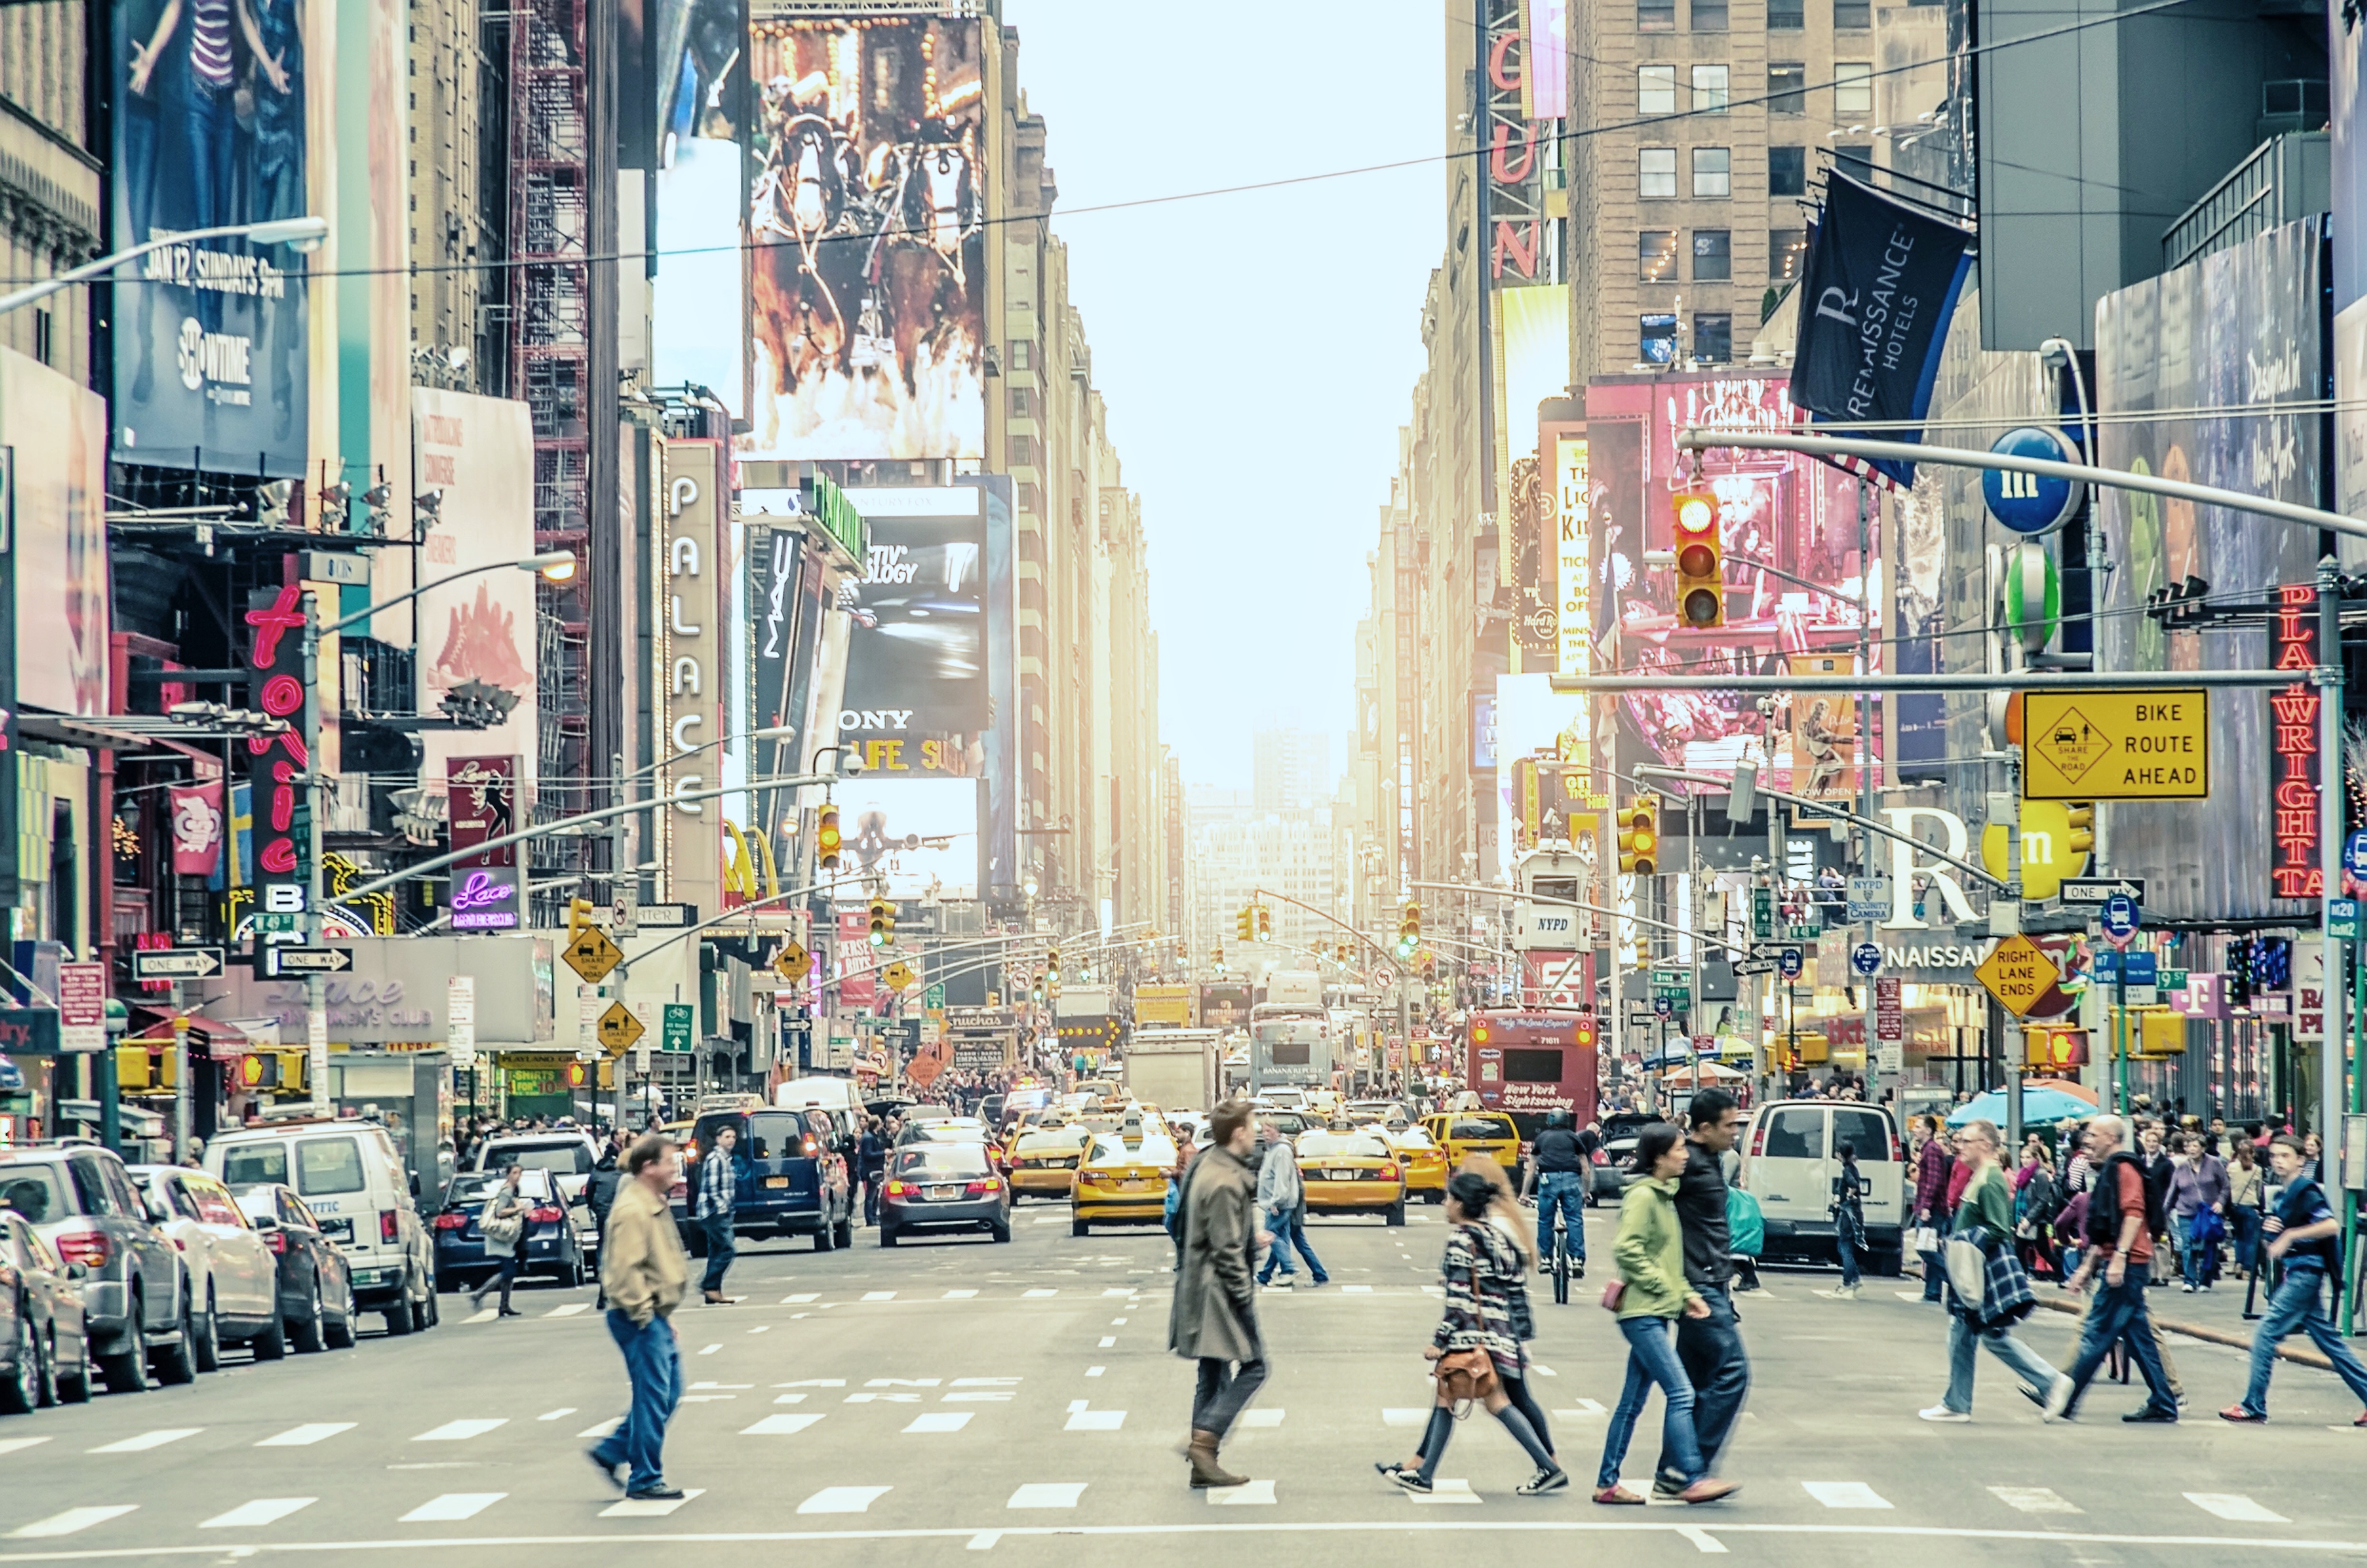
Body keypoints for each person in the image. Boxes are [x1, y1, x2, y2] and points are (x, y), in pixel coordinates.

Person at [1378, 1170, 1566, 1497]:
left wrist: (1439, 1341)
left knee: (1465, 1398)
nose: (1445, 1205)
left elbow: (1460, 1300)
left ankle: (1426, 1475)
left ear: (1462, 1204)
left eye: (1450, 1199)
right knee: (1481, 1400)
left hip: (1473, 1336)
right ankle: (1425, 1473)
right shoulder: (1500, 1237)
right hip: (1502, 1333)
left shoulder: (1461, 1240)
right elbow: (1515, 1287)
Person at [1593, 1124, 1738, 1506]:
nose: (1686, 1155)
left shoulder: (1664, 1195)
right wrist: (1673, 1291)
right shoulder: (1645, 1197)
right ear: (1659, 1158)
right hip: (1642, 1312)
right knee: (1682, 1392)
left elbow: (1667, 1262)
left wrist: (1686, 1295)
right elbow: (1628, 1250)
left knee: (1632, 1403)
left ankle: (1607, 1482)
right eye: (1677, 1149)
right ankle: (1691, 1476)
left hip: (1654, 1310)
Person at [1916, 1119, 2067, 1421]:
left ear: (1986, 1145)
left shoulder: (1990, 1179)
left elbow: (1999, 1229)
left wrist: (1963, 1241)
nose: (1960, 1146)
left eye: (1967, 1141)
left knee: (1975, 1336)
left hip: (1979, 1269)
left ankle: (2047, 1382)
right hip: (1973, 1268)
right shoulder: (1982, 1176)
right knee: (1974, 1336)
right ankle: (1958, 1402)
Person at [2220, 1134, 2367, 1425]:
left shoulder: (2305, 1190)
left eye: (2285, 1156)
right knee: (2330, 1343)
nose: (2278, 1161)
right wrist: (2272, 1232)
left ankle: (2253, 1405)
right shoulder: (2283, 1197)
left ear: (2301, 1160)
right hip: (2302, 1274)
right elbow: (2275, 1243)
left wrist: (2289, 1235)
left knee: (2265, 1334)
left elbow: (2329, 1225)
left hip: (2305, 1274)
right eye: (2274, 1156)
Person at [2045, 1115, 2181, 1423]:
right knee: (2138, 1335)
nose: (2087, 1141)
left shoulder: (2124, 1168)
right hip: (2124, 1262)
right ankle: (2164, 1401)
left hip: (2128, 1264)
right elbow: (2107, 1228)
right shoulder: (2112, 1170)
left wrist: (2119, 1258)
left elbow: (2134, 1214)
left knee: (2097, 1331)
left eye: (2093, 1135)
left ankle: (2066, 1399)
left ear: (2112, 1138)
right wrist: (2089, 1266)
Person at [1651, 1088, 1750, 1499]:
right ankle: (1691, 1469)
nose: (1736, 1132)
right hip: (1700, 1286)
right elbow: (1647, 1191)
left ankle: (1673, 1470)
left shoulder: (1710, 1160)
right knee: (1733, 1372)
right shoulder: (1687, 1163)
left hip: (1712, 1283)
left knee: (1695, 1382)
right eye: (1729, 1126)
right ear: (1704, 1127)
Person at [1168, 1099, 1267, 1489]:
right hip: (1219, 1291)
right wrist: (1244, 1296)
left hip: (1196, 1283)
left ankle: (1203, 1466)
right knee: (1256, 1365)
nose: (1256, 1133)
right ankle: (1204, 1442)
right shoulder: (1226, 1181)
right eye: (1252, 1127)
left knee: (1212, 1373)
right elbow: (1226, 1250)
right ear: (1239, 1133)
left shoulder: (1204, 1167)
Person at [589, 1134, 689, 1501]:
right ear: (649, 1167)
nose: (674, 1170)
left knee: (668, 1392)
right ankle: (645, 1476)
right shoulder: (633, 1210)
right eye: (668, 1163)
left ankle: (613, 1450)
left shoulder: (647, 1201)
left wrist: (661, 1313)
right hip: (639, 1317)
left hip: (653, 1315)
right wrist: (645, 1313)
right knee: (654, 1397)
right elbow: (624, 1270)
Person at [1253, 1122, 1328, 1288]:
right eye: (1263, 1131)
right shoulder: (1274, 1150)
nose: (1265, 1134)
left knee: (1270, 1235)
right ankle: (1319, 1274)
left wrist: (1276, 1201)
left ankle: (1289, 1269)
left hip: (1281, 1204)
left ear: (1278, 1132)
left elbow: (1282, 1179)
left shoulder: (1281, 1151)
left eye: (1269, 1130)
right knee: (1291, 1239)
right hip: (1283, 1203)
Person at [1523, 1107, 1590, 1279]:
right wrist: (1586, 1192)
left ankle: (1545, 1258)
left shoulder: (1542, 1138)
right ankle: (1577, 1260)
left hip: (1548, 1180)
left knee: (1545, 1219)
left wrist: (1524, 1194)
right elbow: (1586, 1169)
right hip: (1571, 1179)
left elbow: (1531, 1169)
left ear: (1550, 1121)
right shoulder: (1574, 1138)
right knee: (1574, 1219)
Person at [2168, 1132, 2228, 1293]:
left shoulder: (2214, 1163)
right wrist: (2164, 1212)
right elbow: (2173, 1191)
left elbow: (2225, 1186)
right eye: (2189, 1146)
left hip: (2209, 1213)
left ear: (2203, 1148)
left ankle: (2205, 1281)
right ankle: (2190, 1280)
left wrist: (2220, 1202)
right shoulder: (2182, 1167)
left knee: (2209, 1245)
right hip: (2186, 1213)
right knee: (2188, 1245)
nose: (2192, 1149)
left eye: (2195, 1146)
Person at [469, 1165, 528, 1317]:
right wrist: (518, 1209)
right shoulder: (507, 1191)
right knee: (509, 1271)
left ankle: (504, 1306)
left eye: (519, 1173)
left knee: (509, 1274)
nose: (518, 1176)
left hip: (506, 1236)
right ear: (508, 1175)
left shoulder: (514, 1190)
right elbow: (500, 1212)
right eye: (514, 1173)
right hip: (501, 1236)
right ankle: (479, 1295)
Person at [694, 1125, 742, 1304]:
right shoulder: (716, 1159)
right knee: (728, 1249)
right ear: (718, 1139)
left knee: (716, 1251)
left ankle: (712, 1292)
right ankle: (708, 1285)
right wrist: (723, 1208)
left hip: (719, 1212)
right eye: (727, 1137)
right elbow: (713, 1189)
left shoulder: (725, 1159)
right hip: (714, 1212)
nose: (731, 1140)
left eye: (734, 1137)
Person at [1913, 1118, 1955, 1302]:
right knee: (1929, 1246)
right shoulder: (1929, 1150)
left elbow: (1934, 1180)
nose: (1915, 1130)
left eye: (1918, 1127)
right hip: (1932, 1207)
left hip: (1933, 1209)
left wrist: (1927, 1206)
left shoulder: (1932, 1151)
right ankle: (1932, 1292)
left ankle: (1955, 1282)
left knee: (1925, 1248)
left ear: (1928, 1131)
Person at [588, 1131, 626, 1311]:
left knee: (604, 1250)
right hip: (620, 1214)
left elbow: (589, 1193)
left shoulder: (597, 1171)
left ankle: (603, 1289)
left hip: (603, 1215)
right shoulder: (622, 1173)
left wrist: (595, 1209)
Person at [2227, 1139, 2265, 1280]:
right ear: (2253, 1153)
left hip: (2235, 1206)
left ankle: (2239, 1263)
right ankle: (2248, 1269)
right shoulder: (2257, 1169)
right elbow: (2259, 1191)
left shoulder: (2231, 1167)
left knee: (2239, 1237)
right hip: (2250, 1206)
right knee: (2251, 1239)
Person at [858, 1117, 886, 1226]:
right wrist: (883, 1153)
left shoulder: (872, 1136)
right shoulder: (869, 1138)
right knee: (871, 1195)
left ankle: (873, 1216)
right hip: (871, 1170)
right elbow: (868, 1154)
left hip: (875, 1169)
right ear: (877, 1125)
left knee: (874, 1195)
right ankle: (870, 1218)